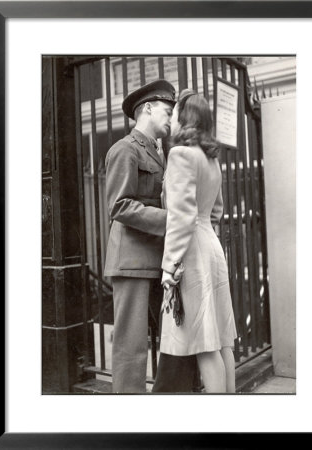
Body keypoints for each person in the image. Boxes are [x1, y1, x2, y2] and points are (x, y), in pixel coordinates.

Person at [104, 79, 196, 393]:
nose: (171, 118)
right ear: (147, 108)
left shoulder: (157, 151)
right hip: (130, 260)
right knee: (131, 347)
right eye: (167, 111)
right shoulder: (124, 149)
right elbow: (119, 205)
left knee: (169, 337)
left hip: (153, 259)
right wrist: (172, 220)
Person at [156, 89, 238, 393]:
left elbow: (180, 217)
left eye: (176, 113)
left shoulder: (180, 154)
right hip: (211, 246)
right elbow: (216, 211)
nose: (173, 118)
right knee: (221, 340)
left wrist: (169, 267)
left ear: (184, 118)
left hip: (192, 250)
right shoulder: (210, 159)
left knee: (204, 343)